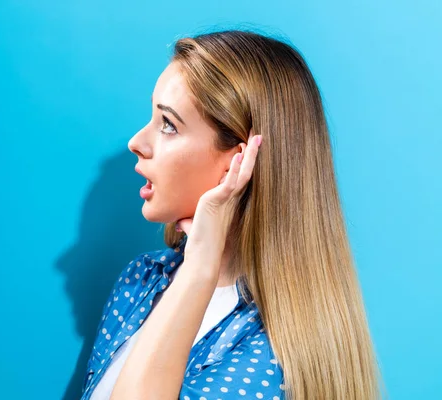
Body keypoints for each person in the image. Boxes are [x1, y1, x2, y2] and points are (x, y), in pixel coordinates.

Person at [80, 29, 384, 400]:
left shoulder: (272, 356)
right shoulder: (142, 281)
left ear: (238, 163)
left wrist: (200, 270)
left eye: (168, 125)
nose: (137, 142)